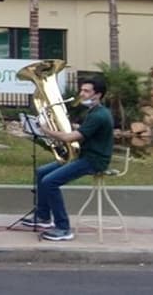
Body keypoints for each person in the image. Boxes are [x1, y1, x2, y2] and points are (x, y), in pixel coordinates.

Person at [21, 77, 114, 242]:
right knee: (42, 172)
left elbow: (71, 138)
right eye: (82, 90)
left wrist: (46, 130)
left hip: (93, 160)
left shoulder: (99, 115)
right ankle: (43, 217)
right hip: (85, 155)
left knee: (50, 182)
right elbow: (84, 134)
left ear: (98, 95)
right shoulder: (95, 112)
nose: (82, 94)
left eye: (87, 91)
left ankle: (63, 228)